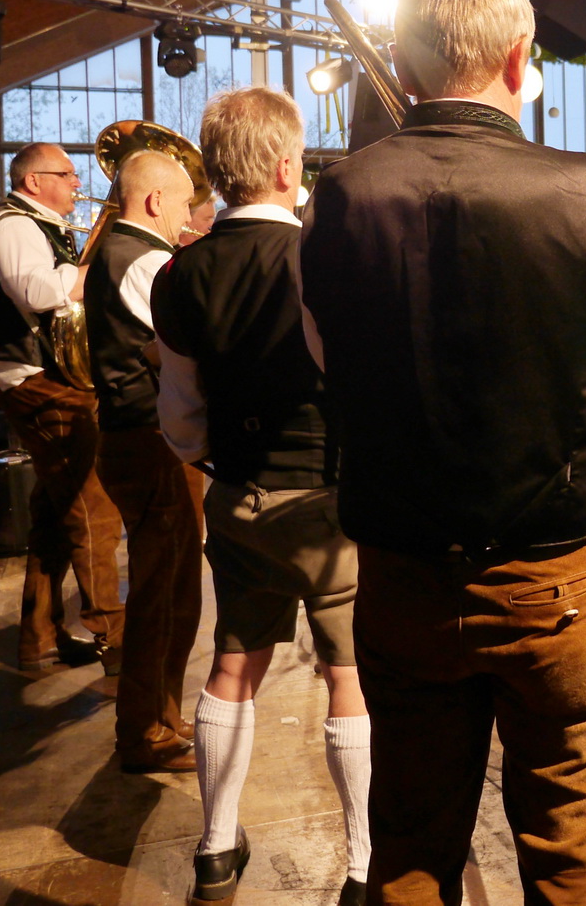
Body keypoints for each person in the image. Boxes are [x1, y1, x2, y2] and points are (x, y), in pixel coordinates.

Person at [297, 0, 586, 905]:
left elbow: (325, 354)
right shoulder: (585, 190)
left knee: (413, 848)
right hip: (557, 575)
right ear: (521, 60)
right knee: (572, 857)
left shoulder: (334, 201)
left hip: (404, 571)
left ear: (404, 62)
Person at [152, 87, 371, 904]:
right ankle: (360, 863)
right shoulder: (325, 258)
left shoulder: (177, 275)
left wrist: (229, 462)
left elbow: (180, 418)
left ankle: (214, 847)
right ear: (288, 167)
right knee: (349, 673)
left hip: (239, 495)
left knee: (233, 663)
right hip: (328, 504)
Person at [0, 142, 123, 672]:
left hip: (46, 376)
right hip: (36, 380)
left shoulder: (35, 222)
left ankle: (39, 638)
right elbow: (34, 290)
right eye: (68, 175)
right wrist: (89, 276)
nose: (78, 185)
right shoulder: (12, 224)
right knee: (92, 508)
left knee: (56, 514)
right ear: (34, 181)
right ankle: (117, 639)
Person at [83, 151, 205, 774]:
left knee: (174, 585)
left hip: (138, 438)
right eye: (184, 203)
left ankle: (163, 716)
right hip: (150, 441)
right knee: (163, 591)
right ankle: (145, 732)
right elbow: (184, 348)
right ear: (155, 201)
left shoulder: (117, 252)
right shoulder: (146, 259)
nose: (188, 217)